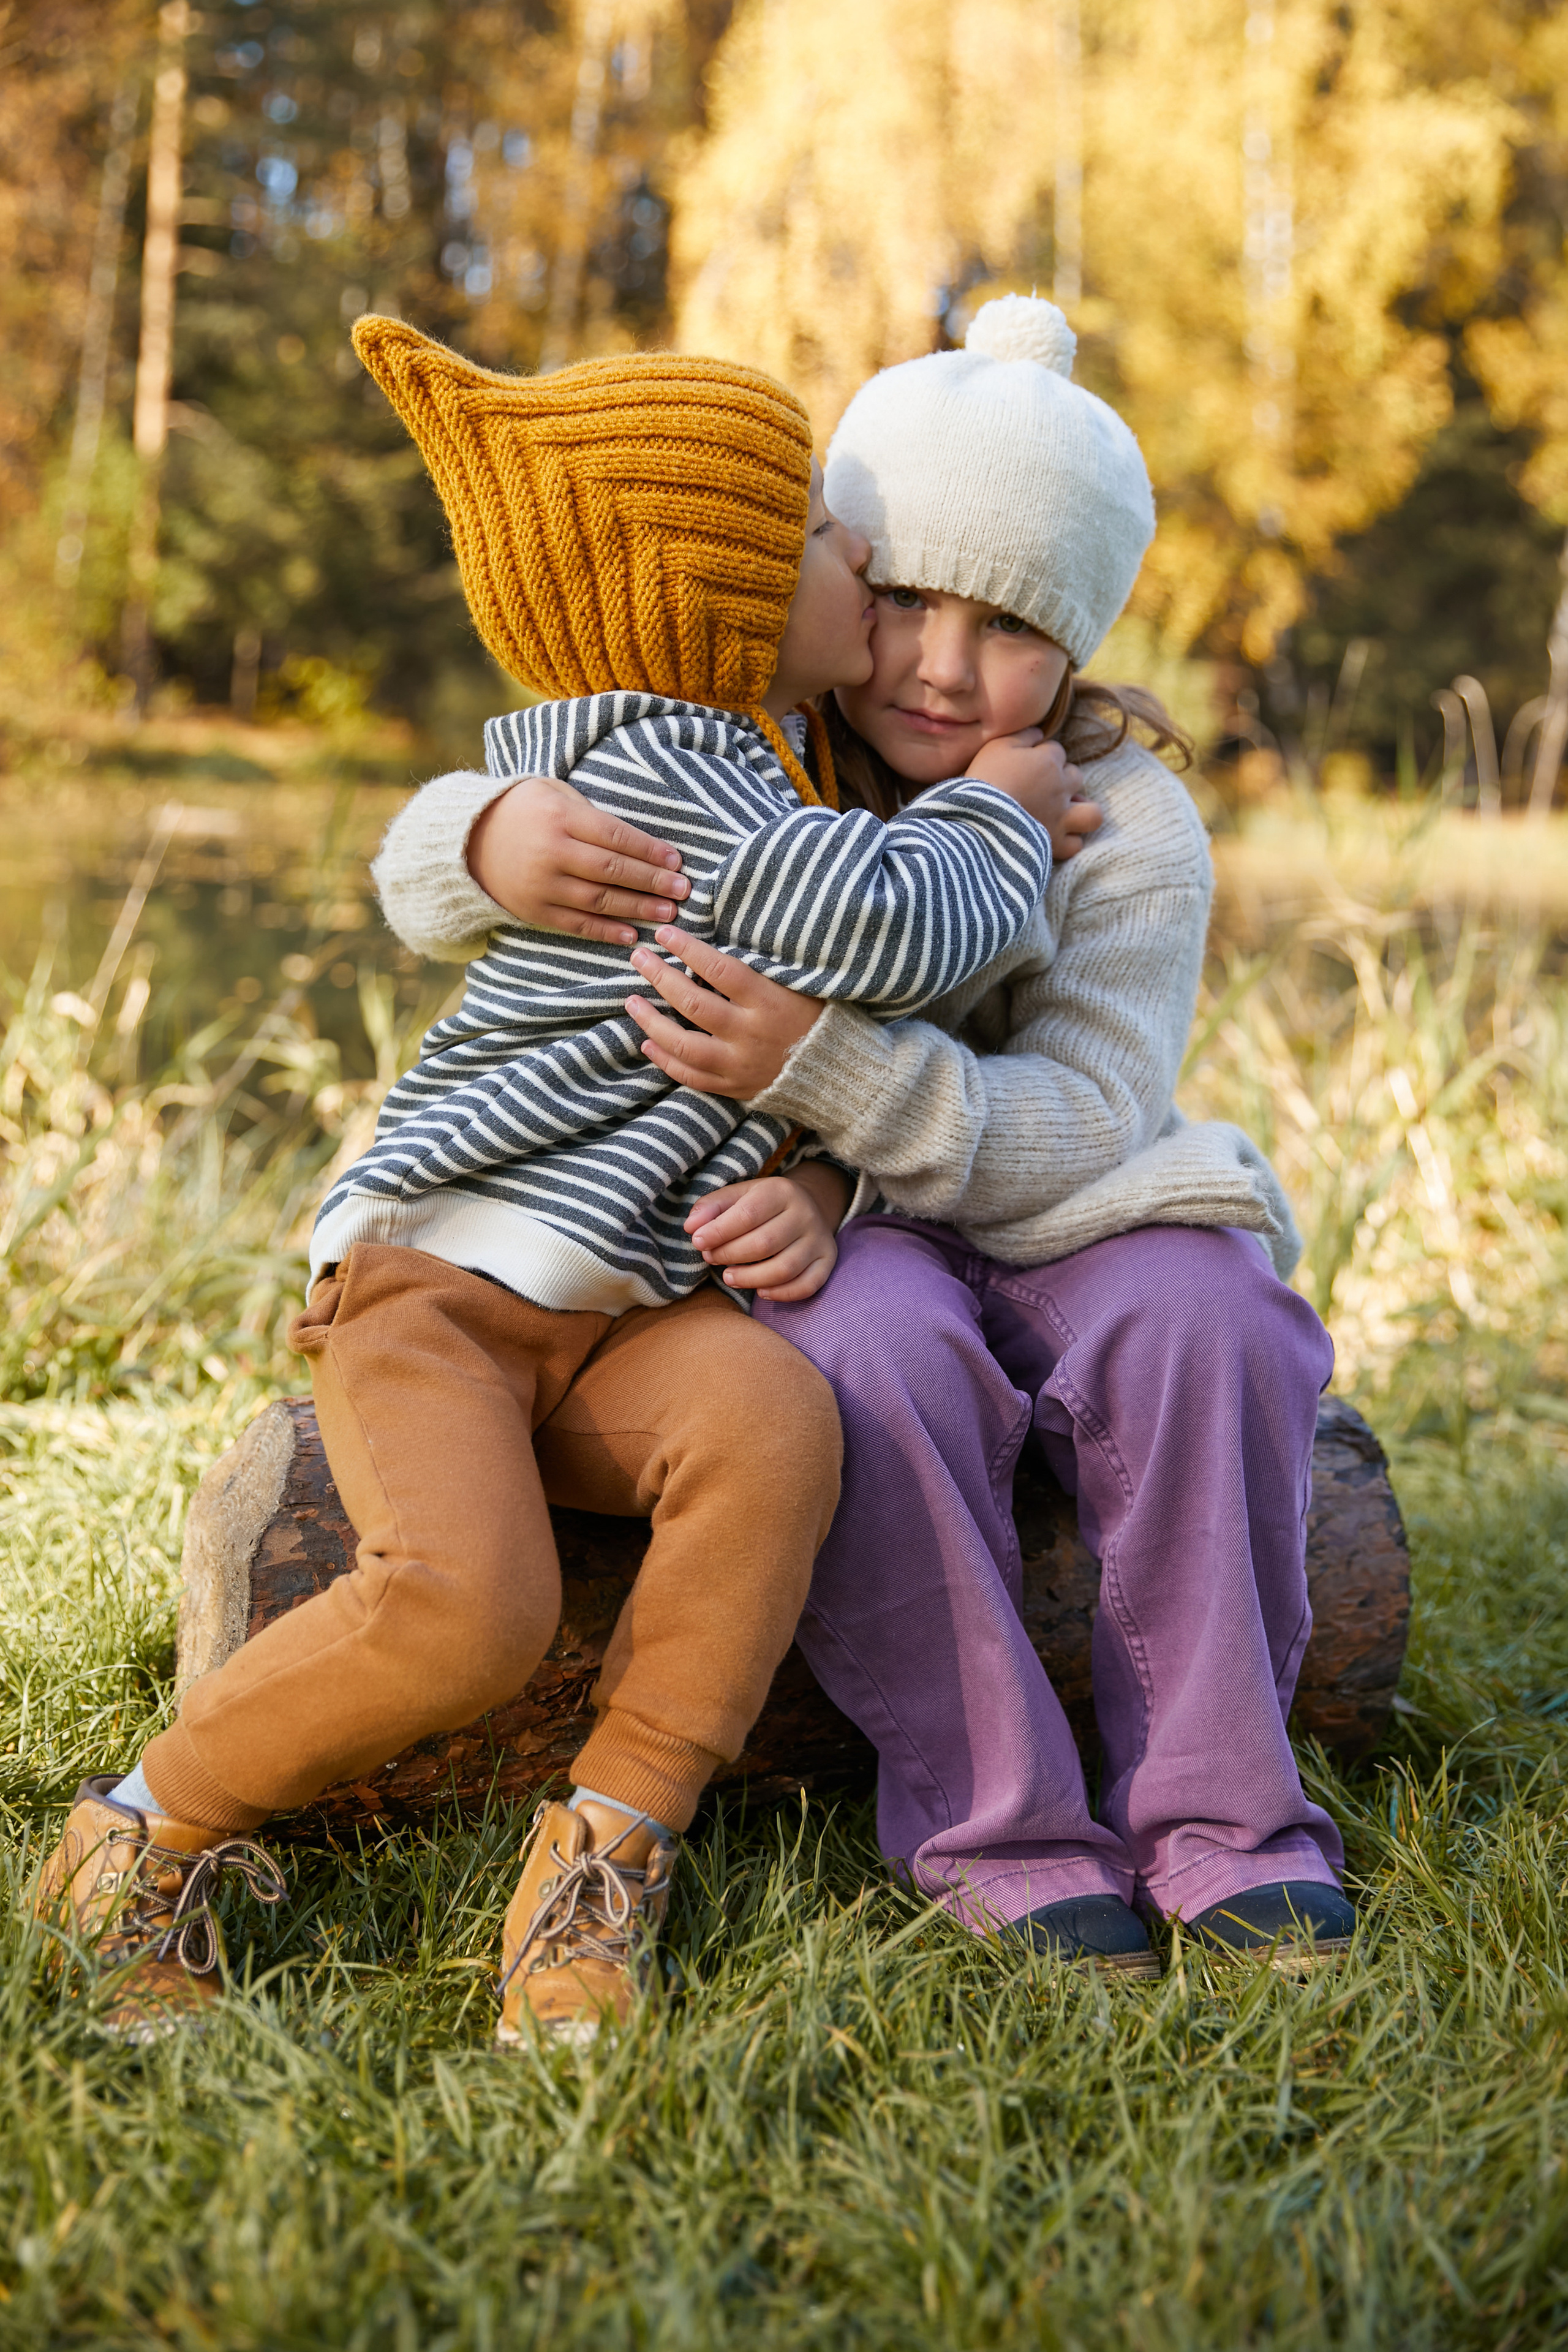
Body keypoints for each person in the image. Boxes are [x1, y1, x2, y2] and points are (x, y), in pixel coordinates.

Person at [37, 318, 1085, 2048]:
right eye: (831, 538)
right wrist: (1001, 816)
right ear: (721, 600)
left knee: (769, 1425)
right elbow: (898, 921)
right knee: (475, 1607)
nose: (868, 565)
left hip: (608, 1314)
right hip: (441, 1292)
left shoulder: (725, 762)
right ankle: (141, 1829)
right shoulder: (677, 769)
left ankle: (604, 1859)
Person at [380, 295, 1354, 1977]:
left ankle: (1224, 1817)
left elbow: (1089, 1106)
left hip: (1079, 1201)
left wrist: (833, 1085)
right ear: (829, 579)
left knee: (1213, 1321)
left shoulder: (1118, 817)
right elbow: (494, 805)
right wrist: (476, 836)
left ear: (1084, 642)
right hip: (854, 1241)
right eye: (901, 596)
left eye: (1010, 625)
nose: (940, 664)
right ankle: (1003, 1831)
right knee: (859, 1349)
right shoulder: (748, 747)